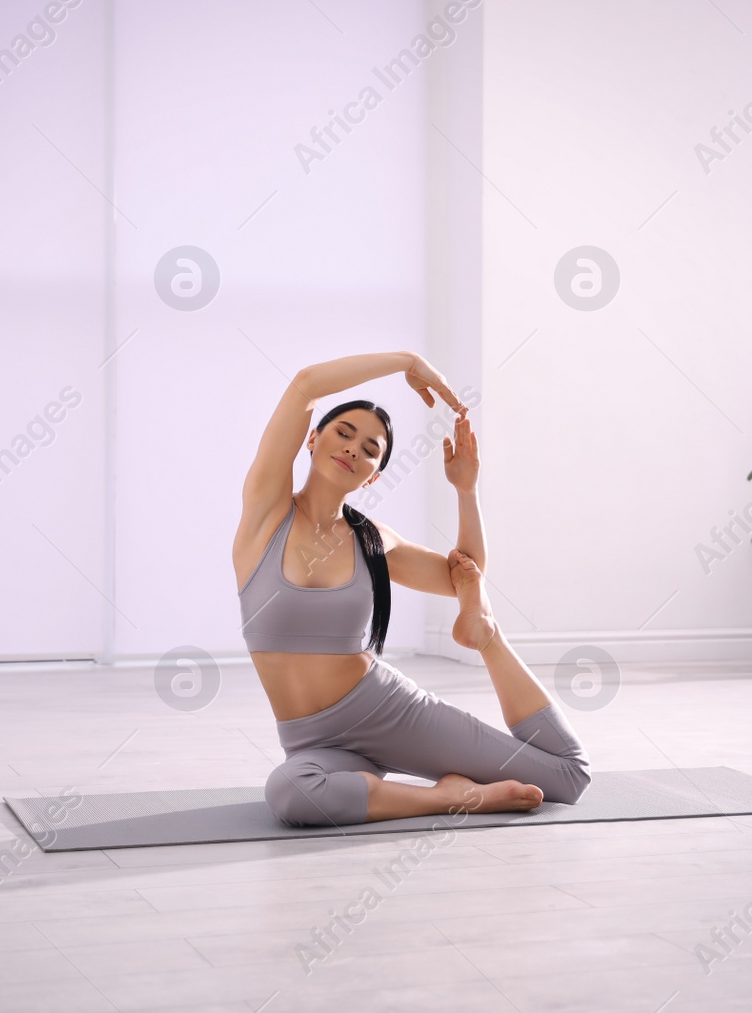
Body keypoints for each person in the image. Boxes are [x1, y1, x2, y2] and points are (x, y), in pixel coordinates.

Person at [232, 351, 591, 827]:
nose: (354, 449)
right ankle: (450, 797)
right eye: (344, 433)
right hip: (311, 742)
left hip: (388, 712)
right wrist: (407, 361)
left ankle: (489, 639)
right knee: (290, 794)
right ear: (312, 439)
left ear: (374, 475)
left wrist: (466, 489)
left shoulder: (372, 540)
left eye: (370, 448)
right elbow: (305, 383)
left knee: (566, 777)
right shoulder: (266, 513)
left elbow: (466, 574)